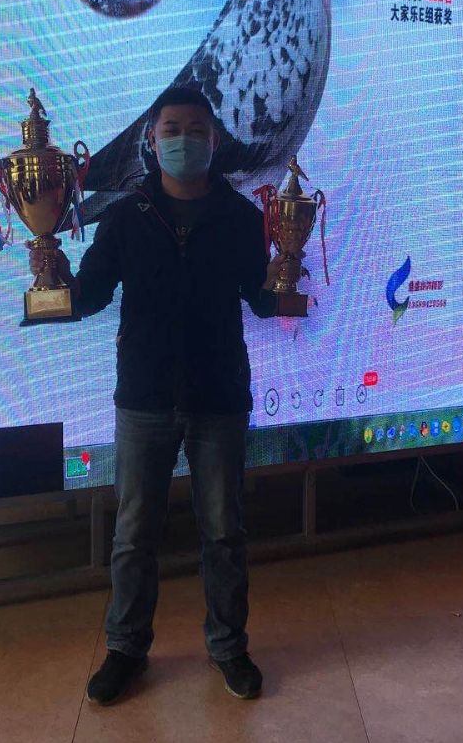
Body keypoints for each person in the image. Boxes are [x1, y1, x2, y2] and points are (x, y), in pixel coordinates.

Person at [31, 86, 285, 705]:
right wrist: (52, 274)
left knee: (224, 533)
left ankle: (229, 646)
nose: (183, 140)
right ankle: (126, 650)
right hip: (143, 396)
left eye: (195, 129)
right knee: (133, 534)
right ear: (152, 138)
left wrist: (287, 273)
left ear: (214, 140)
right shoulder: (126, 216)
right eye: (171, 129)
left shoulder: (241, 218)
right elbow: (91, 296)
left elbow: (260, 299)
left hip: (219, 395)